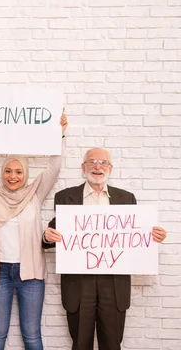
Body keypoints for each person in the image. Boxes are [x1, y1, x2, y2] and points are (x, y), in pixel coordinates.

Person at [42, 147, 167, 350]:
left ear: (110, 168)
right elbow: (54, 232)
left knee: (111, 344)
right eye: (92, 162)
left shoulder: (126, 199)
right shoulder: (65, 197)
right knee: (80, 343)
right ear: (83, 167)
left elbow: (135, 236)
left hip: (114, 284)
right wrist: (47, 236)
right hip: (79, 283)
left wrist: (154, 236)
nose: (97, 167)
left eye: (102, 163)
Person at [0, 110, 68, 350]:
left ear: (26, 174)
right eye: (8, 171)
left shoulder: (35, 192)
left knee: (31, 335)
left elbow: (54, 167)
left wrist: (59, 135)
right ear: (2, 173)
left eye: (18, 171)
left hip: (30, 274)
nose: (13, 176)